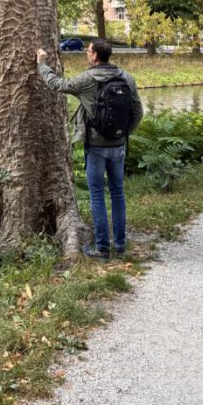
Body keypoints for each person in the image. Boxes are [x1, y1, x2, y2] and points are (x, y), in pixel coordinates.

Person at [36, 39, 143, 260]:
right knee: (117, 193)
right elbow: (138, 112)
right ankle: (120, 245)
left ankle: (103, 248)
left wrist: (41, 64)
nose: (87, 53)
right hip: (119, 146)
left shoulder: (87, 79)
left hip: (96, 147)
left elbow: (58, 85)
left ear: (95, 56)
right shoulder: (126, 78)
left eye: (88, 50)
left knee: (97, 196)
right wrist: (123, 133)